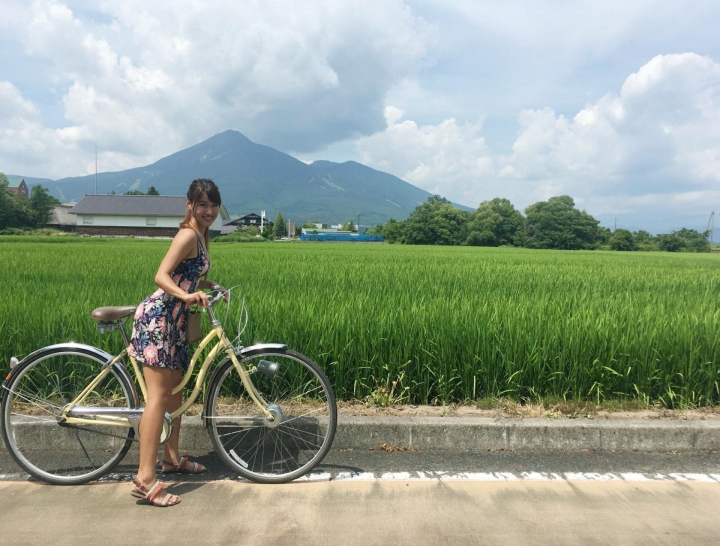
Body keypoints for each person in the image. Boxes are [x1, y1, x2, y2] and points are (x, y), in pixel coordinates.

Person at [127, 179, 226, 507]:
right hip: (159, 319)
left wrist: (209, 285)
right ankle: (145, 478)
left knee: (176, 392)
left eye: (213, 205)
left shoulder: (200, 235)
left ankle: (171, 460)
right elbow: (162, 275)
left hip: (177, 321)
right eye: (202, 205)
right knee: (157, 398)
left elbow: (188, 273)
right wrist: (186, 294)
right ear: (189, 205)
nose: (208, 211)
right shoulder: (187, 234)